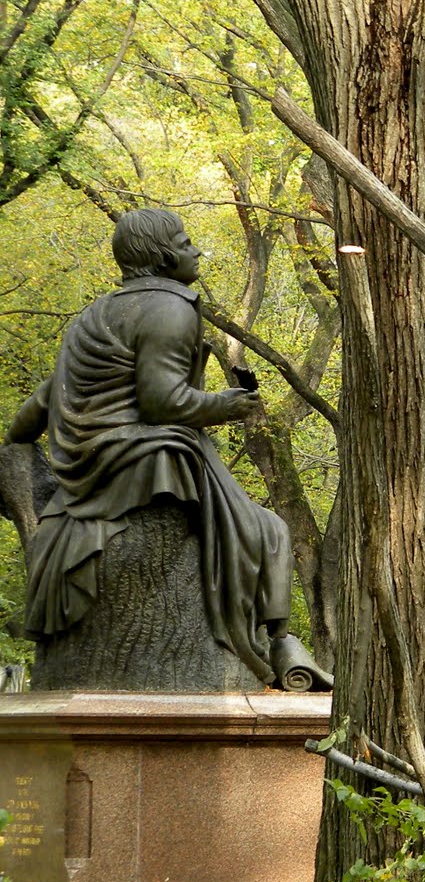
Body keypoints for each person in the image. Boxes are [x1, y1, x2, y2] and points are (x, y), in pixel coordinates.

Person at [5, 208, 327, 689]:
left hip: (86, 467)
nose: (195, 250)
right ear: (161, 255)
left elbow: (39, 407)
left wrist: (20, 450)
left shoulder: (95, 315)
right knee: (271, 530)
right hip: (144, 457)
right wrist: (228, 404)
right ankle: (279, 644)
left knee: (263, 529)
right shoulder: (171, 308)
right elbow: (163, 401)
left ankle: (280, 642)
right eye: (184, 241)